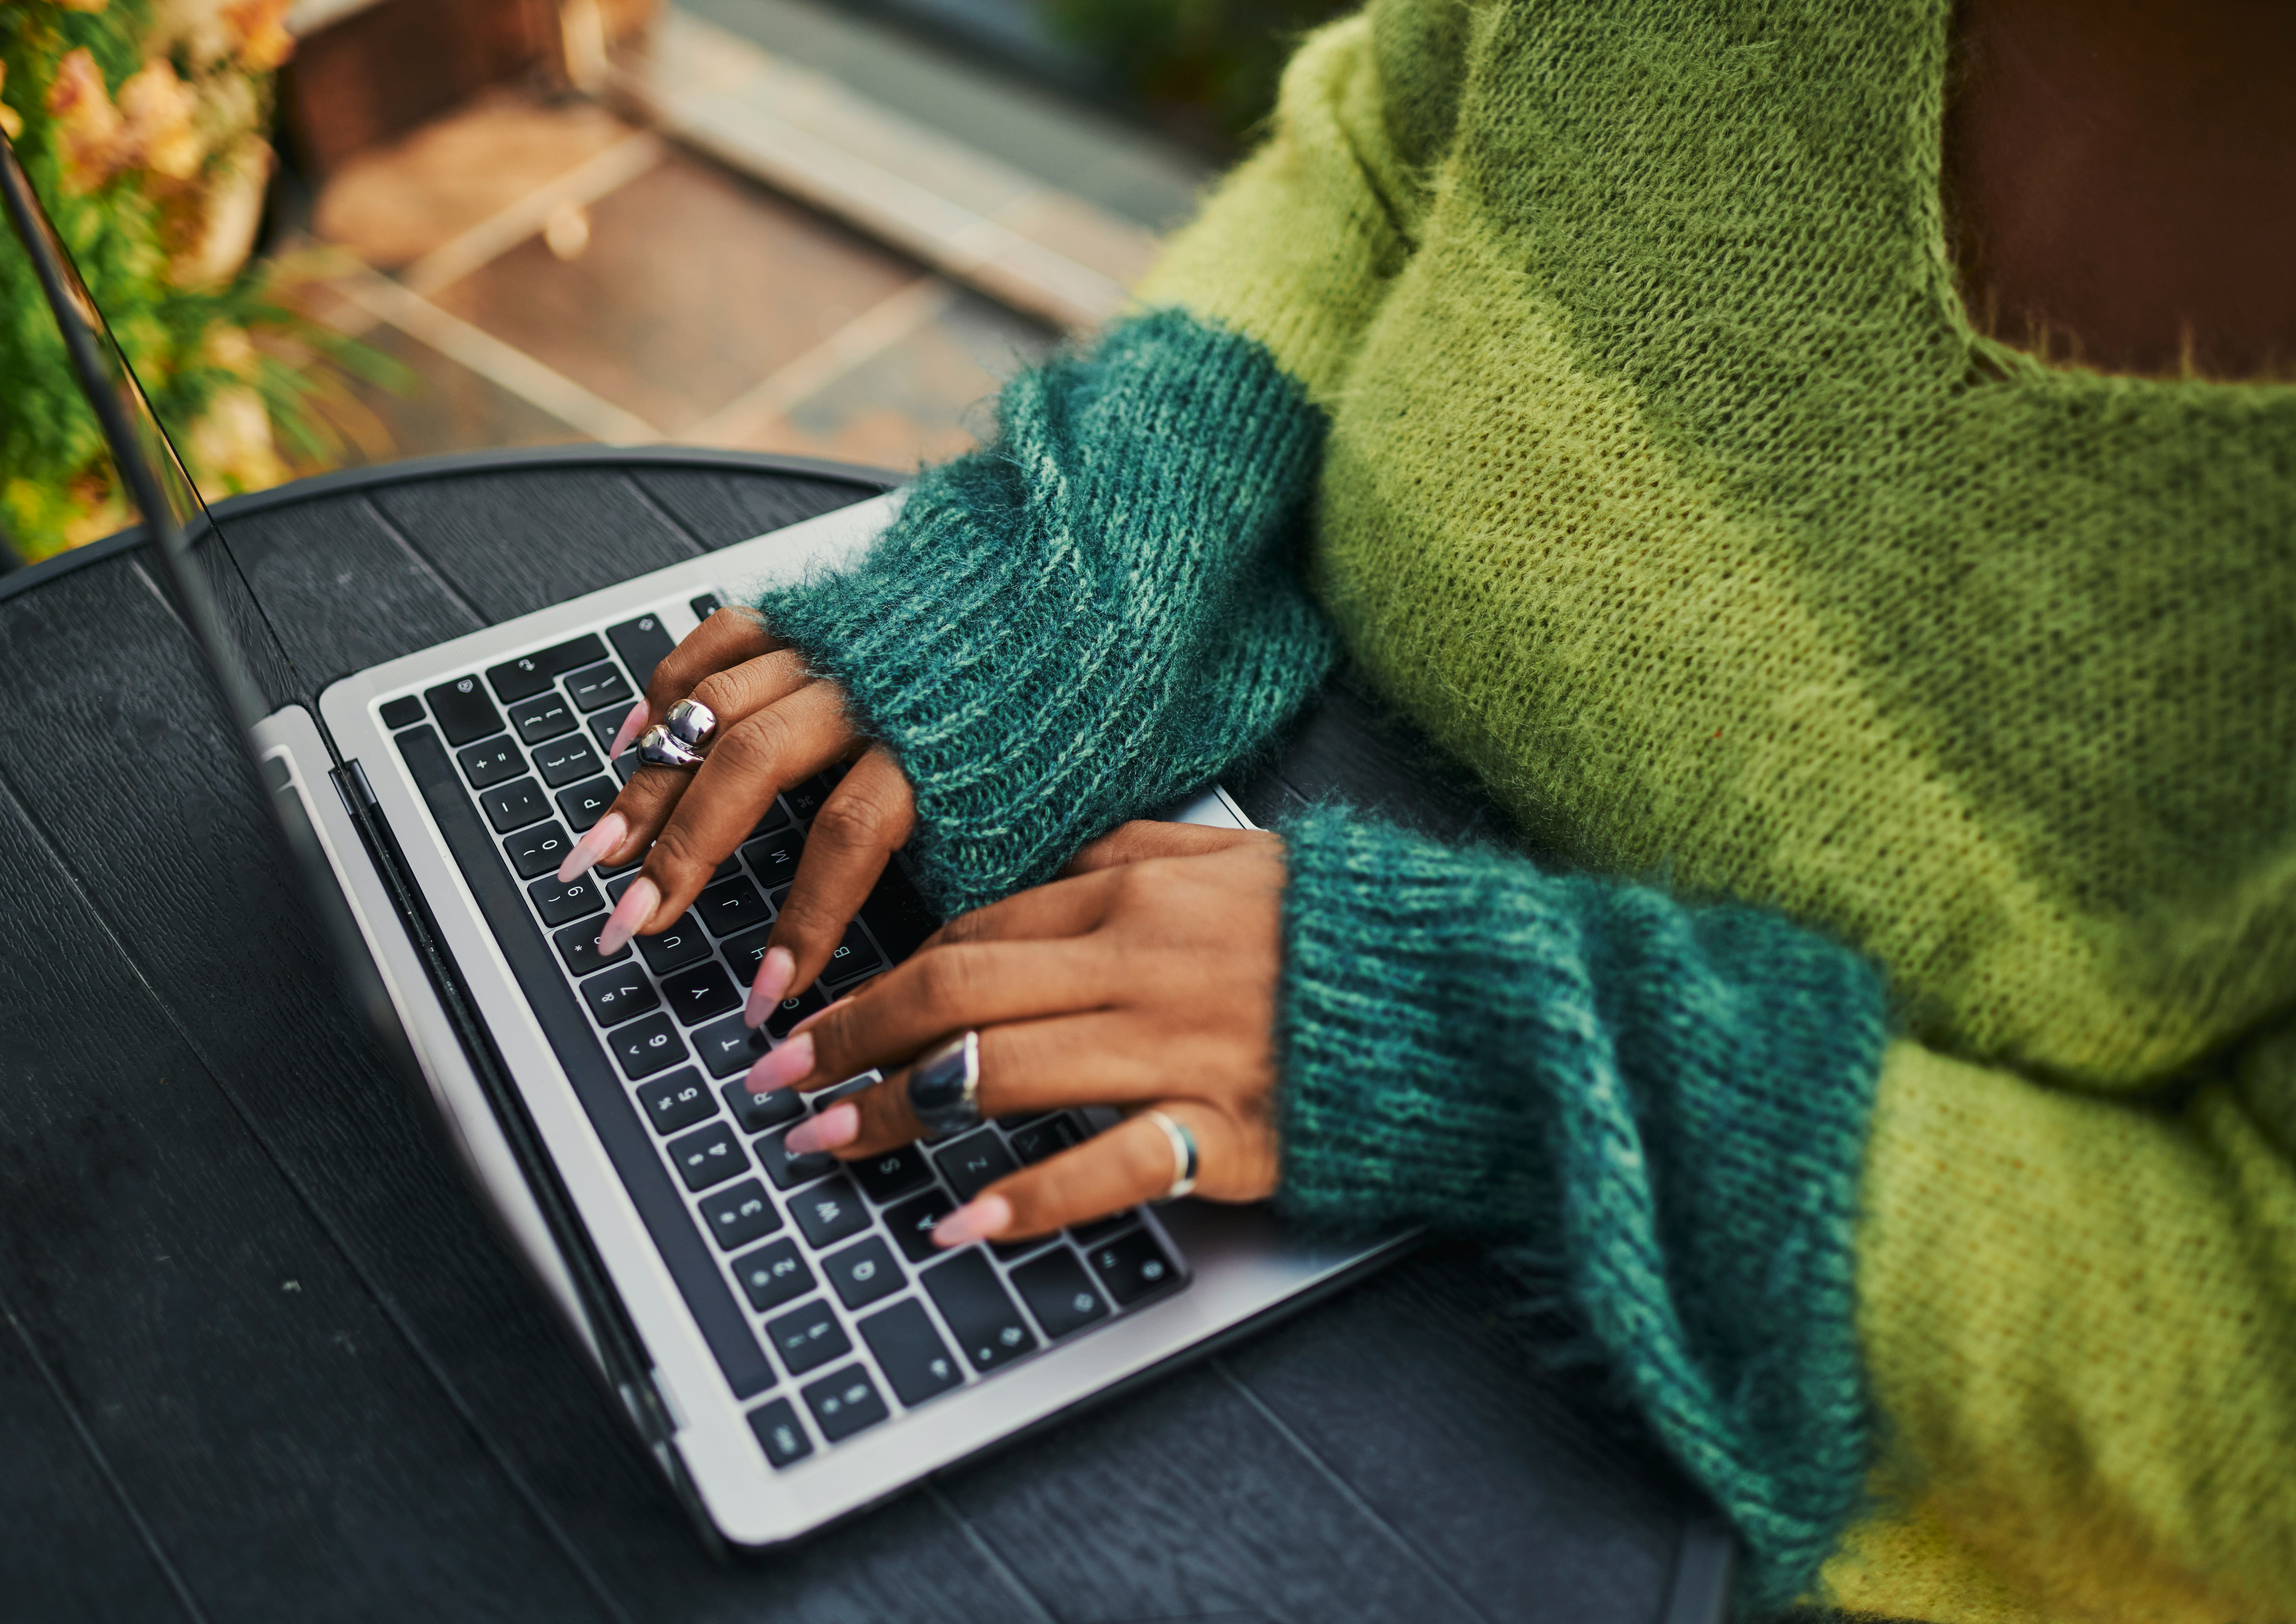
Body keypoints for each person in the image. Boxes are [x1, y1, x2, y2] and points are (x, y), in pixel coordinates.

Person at [558, 0, 2296, 1616]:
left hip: (1767, 1517)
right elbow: (1383, 154)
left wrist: (1497, 1033)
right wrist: (1091, 571)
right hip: (1209, 991)